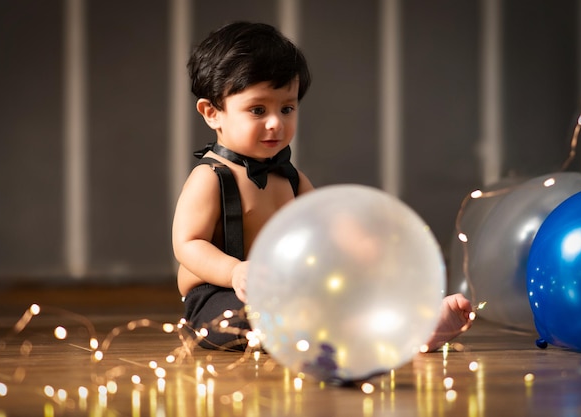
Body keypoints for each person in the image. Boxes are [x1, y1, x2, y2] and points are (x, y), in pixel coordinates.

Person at [172, 21, 473, 352]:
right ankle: (334, 333)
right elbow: (188, 244)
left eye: (287, 108)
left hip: (288, 289)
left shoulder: (291, 178)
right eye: (258, 110)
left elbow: (324, 227)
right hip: (220, 292)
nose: (276, 122)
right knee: (241, 322)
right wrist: (234, 272)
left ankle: (416, 326)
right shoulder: (211, 177)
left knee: (345, 292)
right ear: (212, 112)